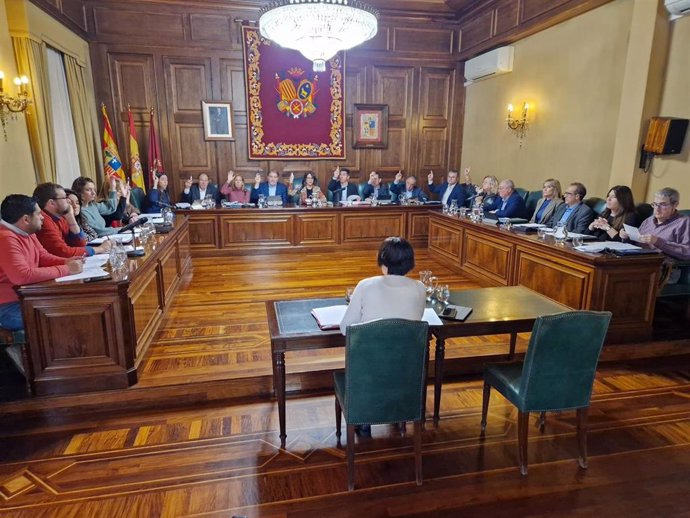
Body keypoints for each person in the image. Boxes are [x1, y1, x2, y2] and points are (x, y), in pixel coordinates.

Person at [0, 194, 83, 331]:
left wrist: (66, 261)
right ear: (26, 219)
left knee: (74, 305)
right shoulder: (5, 238)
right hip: (8, 306)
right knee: (63, 316)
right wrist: (67, 269)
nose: (43, 217)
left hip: (27, 296)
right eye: (39, 214)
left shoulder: (26, 231)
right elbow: (22, 275)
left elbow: (43, 257)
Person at [340, 236, 426, 336]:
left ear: (383, 262)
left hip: (370, 350)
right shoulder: (420, 288)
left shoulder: (365, 285)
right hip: (407, 350)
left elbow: (345, 329)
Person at [33, 182, 111, 257]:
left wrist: (71, 217)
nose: (68, 201)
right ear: (52, 203)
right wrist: (100, 249)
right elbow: (63, 252)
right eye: (64, 198)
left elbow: (81, 244)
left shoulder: (60, 217)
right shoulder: (43, 220)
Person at [621, 187, 690, 260]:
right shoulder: (648, 221)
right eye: (655, 204)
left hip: (661, 266)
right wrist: (627, 237)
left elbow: (687, 252)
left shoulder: (684, 222)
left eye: (663, 204)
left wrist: (658, 242)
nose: (657, 208)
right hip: (636, 259)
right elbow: (637, 243)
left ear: (675, 205)